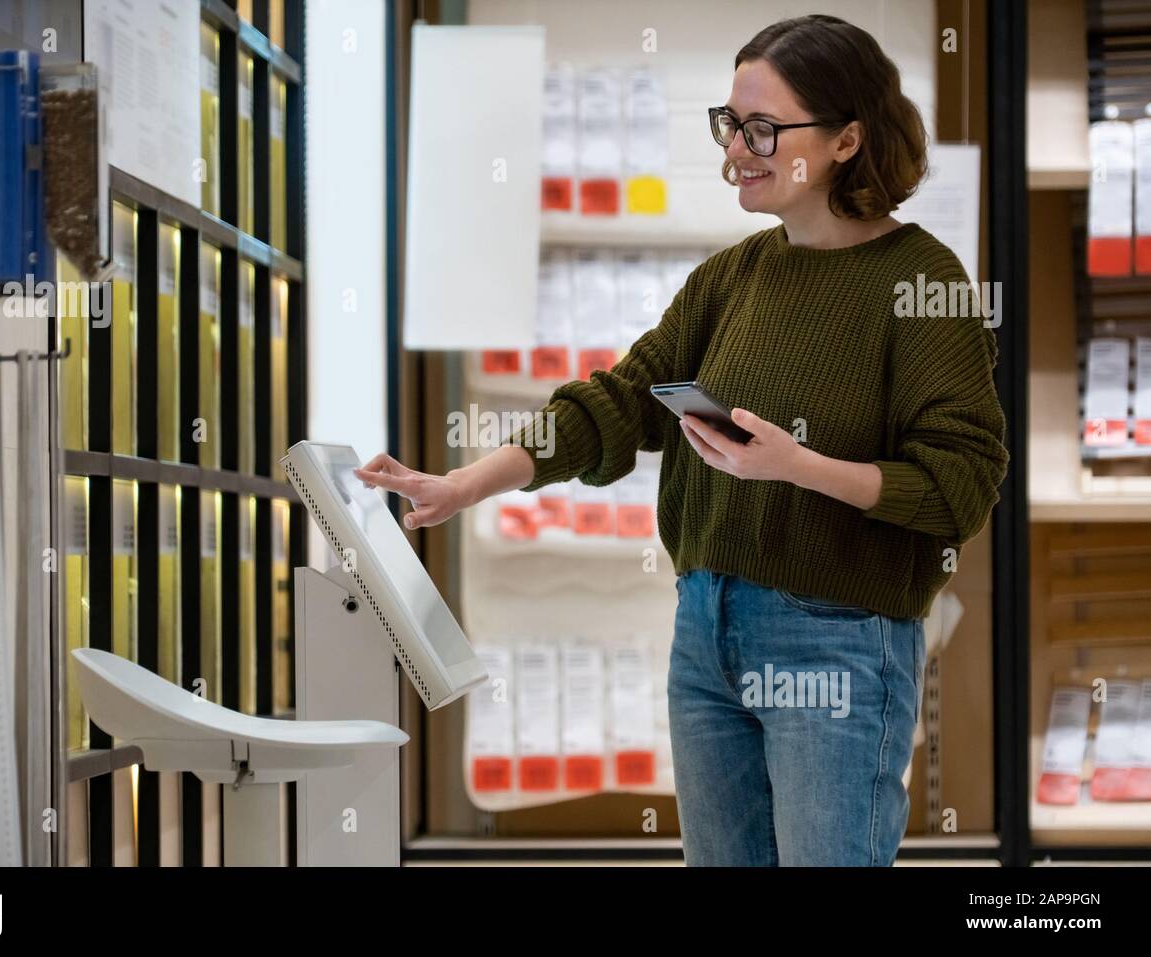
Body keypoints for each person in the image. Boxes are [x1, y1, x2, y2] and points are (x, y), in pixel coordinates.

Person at [356, 14, 1008, 866]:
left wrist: (798, 467)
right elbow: (617, 401)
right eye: (730, 124)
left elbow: (963, 482)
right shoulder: (732, 276)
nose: (737, 148)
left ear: (848, 139)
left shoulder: (923, 282)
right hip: (707, 629)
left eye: (764, 129)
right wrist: (465, 483)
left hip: (840, 641)